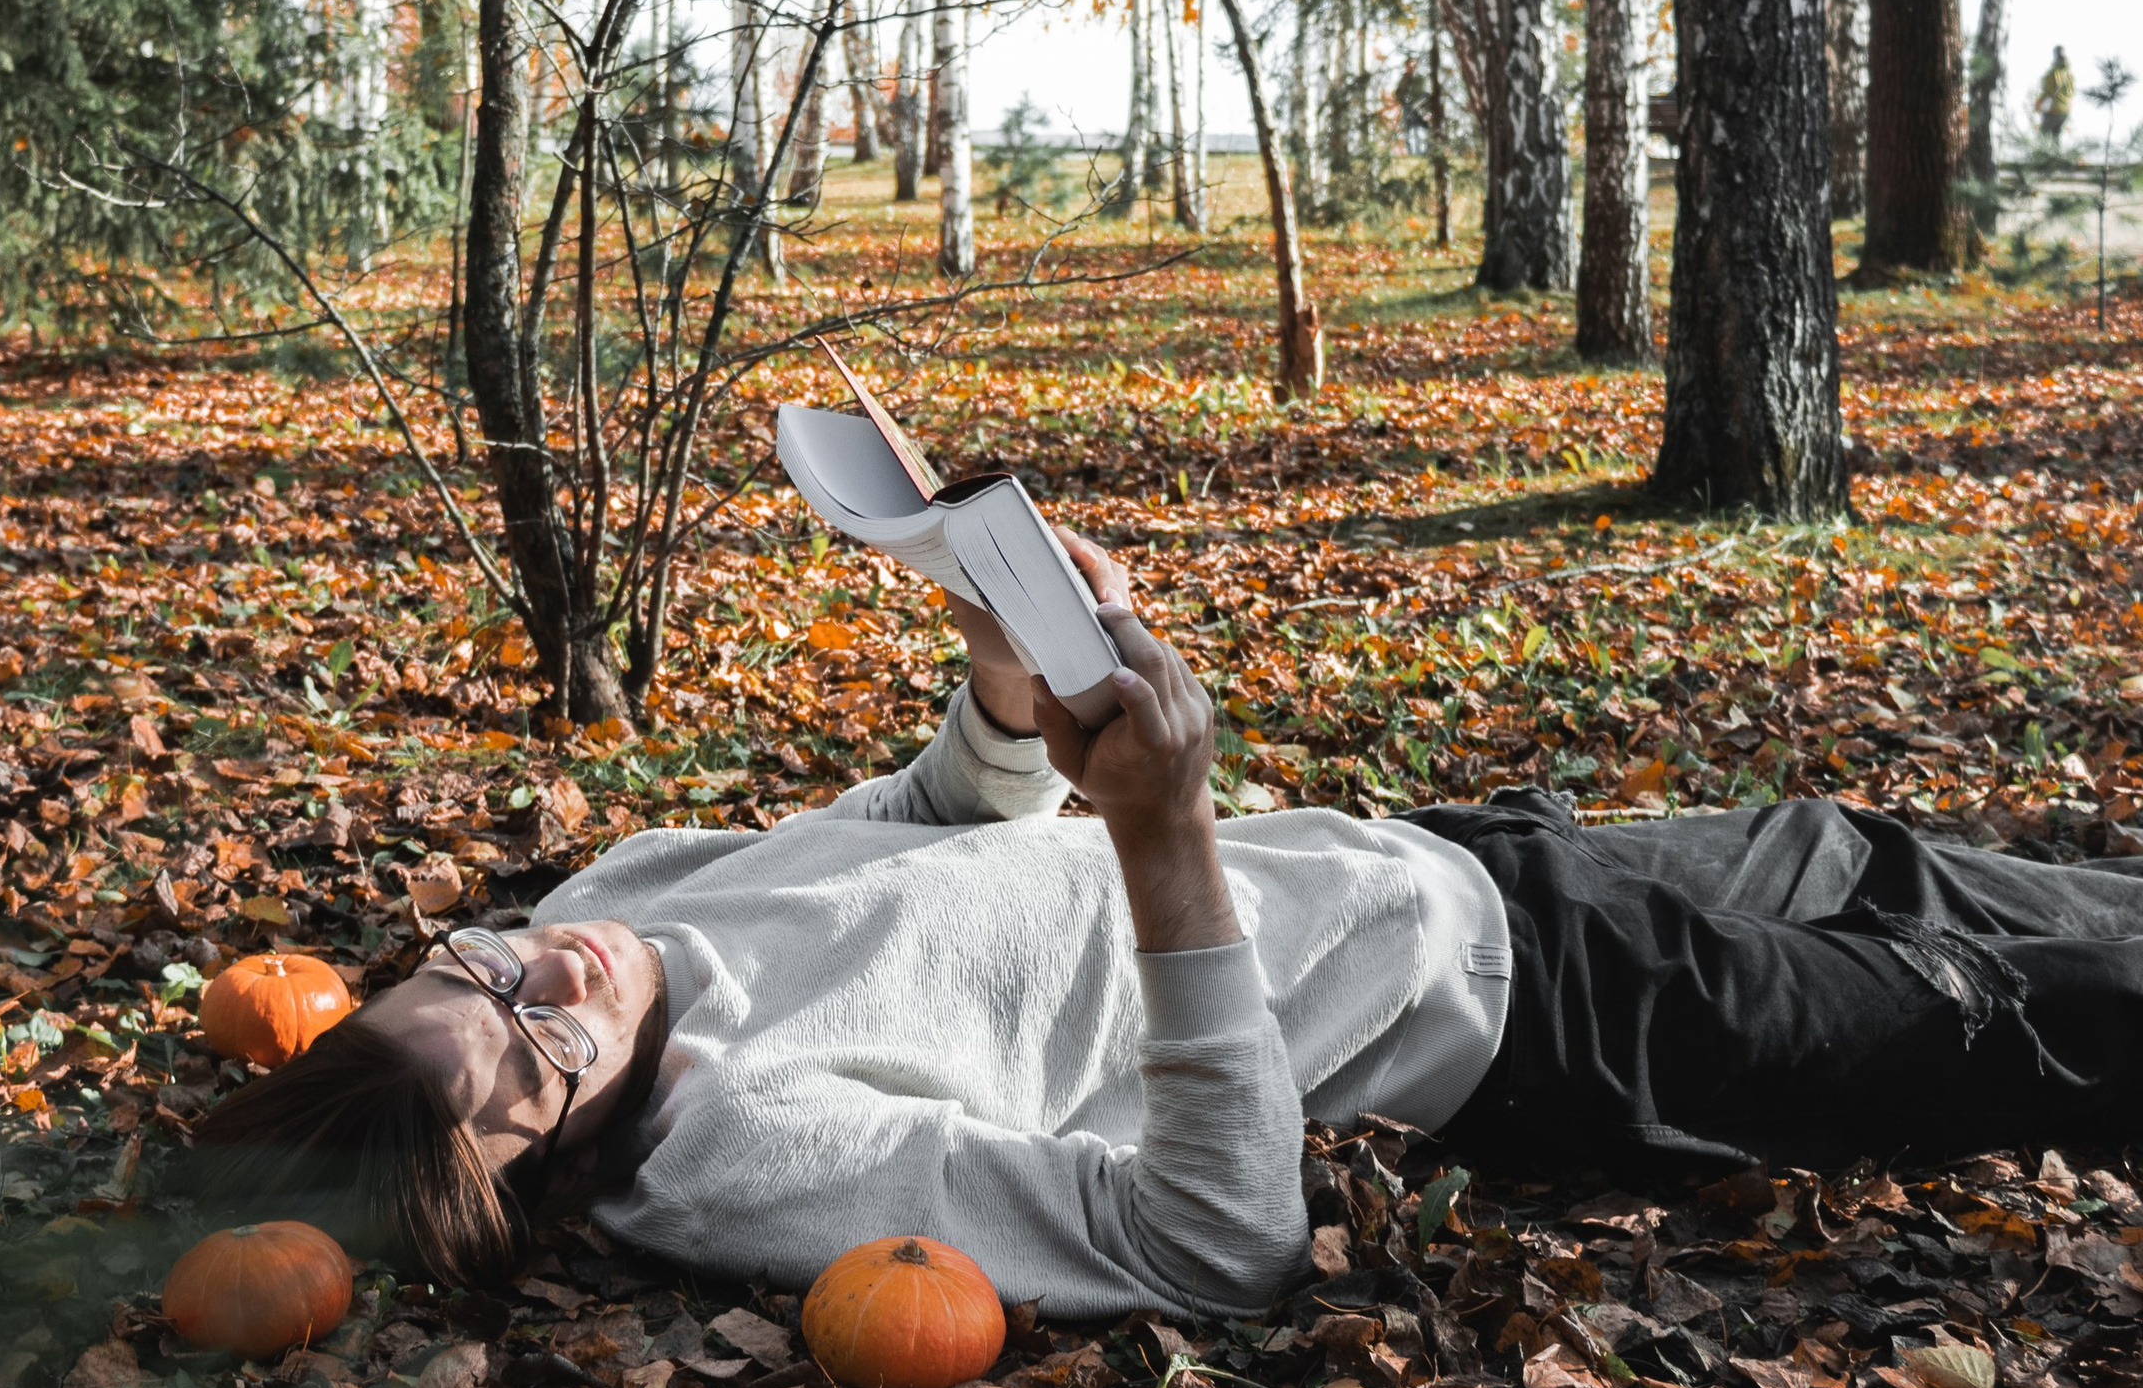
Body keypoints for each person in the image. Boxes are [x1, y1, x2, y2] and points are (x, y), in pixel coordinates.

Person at [194, 543, 2143, 1315]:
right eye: (535, 1045)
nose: (545, 971)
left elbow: (910, 844)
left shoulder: (592, 910)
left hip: (1466, 859)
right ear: (533, 1169)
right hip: (1560, 1020)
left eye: (472, 968)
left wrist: (998, 698)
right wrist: (1164, 826)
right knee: (2079, 1013)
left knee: (1894, 856)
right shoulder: (738, 1155)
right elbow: (1211, 1241)